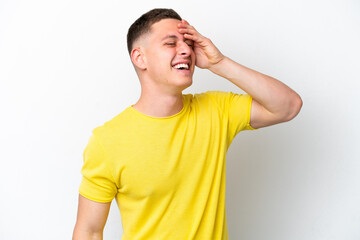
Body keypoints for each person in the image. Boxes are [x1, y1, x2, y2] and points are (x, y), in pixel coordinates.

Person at [72, 8, 302, 240]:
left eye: (189, 43)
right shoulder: (107, 140)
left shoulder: (216, 110)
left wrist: (219, 63)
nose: (185, 50)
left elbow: (288, 106)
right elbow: (89, 232)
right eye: (171, 43)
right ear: (140, 57)